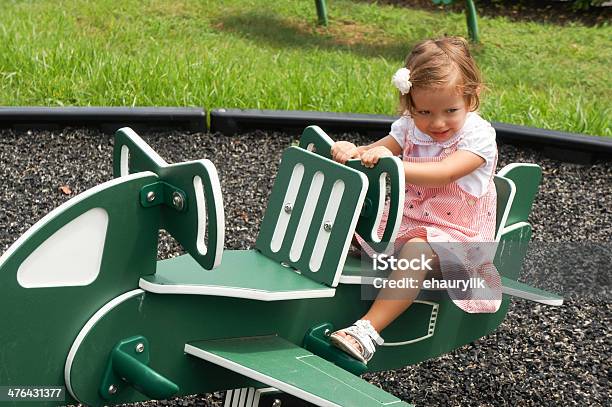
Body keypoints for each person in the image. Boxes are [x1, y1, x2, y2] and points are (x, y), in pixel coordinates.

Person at [329, 36, 502, 364]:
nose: (437, 123)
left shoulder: (478, 137)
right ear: (410, 105)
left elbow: (446, 173)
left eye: (450, 111)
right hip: (409, 224)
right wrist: (353, 151)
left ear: (472, 98)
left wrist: (391, 163)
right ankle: (311, 290)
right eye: (425, 112)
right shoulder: (410, 127)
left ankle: (367, 331)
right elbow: (374, 151)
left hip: (458, 239)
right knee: (352, 224)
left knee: (417, 251)